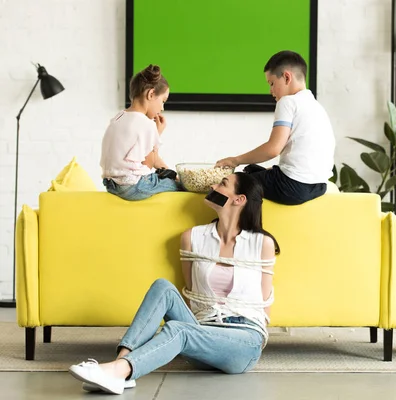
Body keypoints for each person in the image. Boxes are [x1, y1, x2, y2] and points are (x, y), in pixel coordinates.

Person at [68, 172, 279, 395]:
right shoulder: (193, 238)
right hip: (201, 336)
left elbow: (264, 303)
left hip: (243, 342)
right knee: (162, 287)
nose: (212, 185)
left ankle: (118, 371)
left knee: (178, 330)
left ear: (239, 199)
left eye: (223, 184)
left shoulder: (261, 243)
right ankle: (119, 369)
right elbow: (190, 296)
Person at [216, 50, 335, 206]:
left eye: (271, 83)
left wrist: (235, 160)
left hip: (293, 186)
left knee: (232, 181)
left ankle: (224, 228)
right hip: (318, 185)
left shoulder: (287, 102)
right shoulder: (316, 106)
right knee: (252, 170)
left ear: (286, 77)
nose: (270, 90)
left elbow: (273, 149)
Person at [100, 64, 180, 201]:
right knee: (179, 186)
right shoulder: (146, 124)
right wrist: (156, 134)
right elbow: (148, 165)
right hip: (132, 187)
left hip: (111, 185)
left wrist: (169, 171)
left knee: (168, 177)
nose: (162, 108)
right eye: (163, 101)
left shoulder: (118, 118)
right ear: (151, 94)